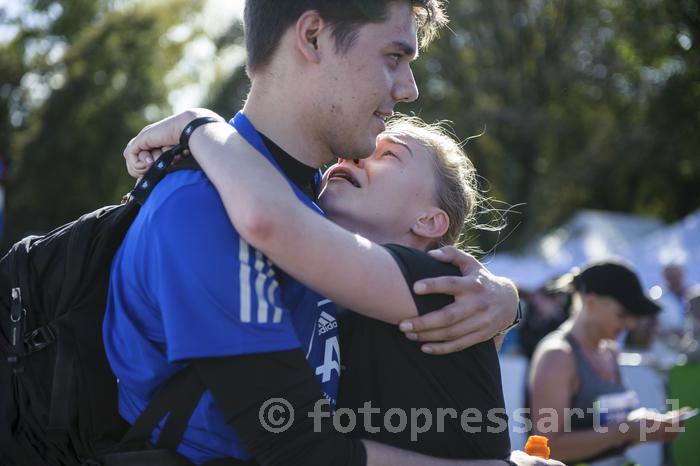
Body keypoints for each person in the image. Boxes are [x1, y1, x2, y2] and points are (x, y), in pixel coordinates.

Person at [107, 2, 546, 466]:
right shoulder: (202, 206)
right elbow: (295, 446)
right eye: (394, 57)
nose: (409, 88)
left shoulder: (319, 199)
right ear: (313, 37)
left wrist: (505, 300)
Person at [126, 114, 524, 461]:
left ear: (428, 222)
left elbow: (269, 216)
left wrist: (199, 127)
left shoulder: (433, 282)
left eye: (389, 155)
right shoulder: (332, 295)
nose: (352, 155)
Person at [528, 261, 687, 466]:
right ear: (592, 303)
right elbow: (545, 449)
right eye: (622, 315)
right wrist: (627, 429)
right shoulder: (558, 356)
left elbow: (608, 435)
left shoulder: (609, 351)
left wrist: (646, 428)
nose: (630, 324)